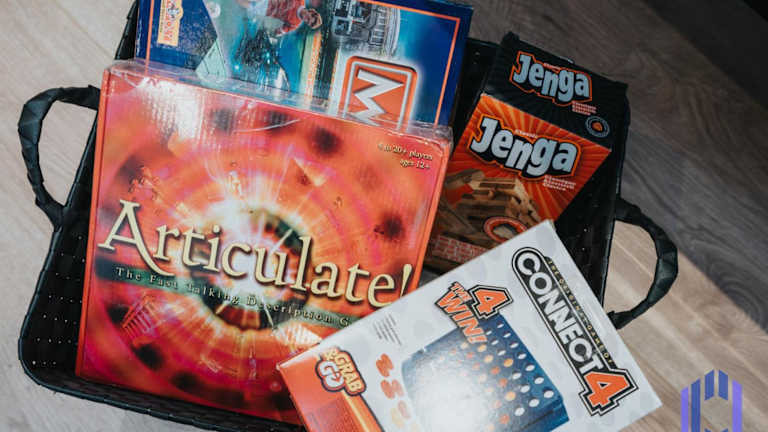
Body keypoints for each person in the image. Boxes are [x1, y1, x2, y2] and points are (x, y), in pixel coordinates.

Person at [236, 0, 323, 35]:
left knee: (242, 3)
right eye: (309, 18)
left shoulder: (295, 24)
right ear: (311, 12)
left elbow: (279, 31)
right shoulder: (300, 0)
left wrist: (275, 33)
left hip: (265, 10)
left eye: (307, 22)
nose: (306, 19)